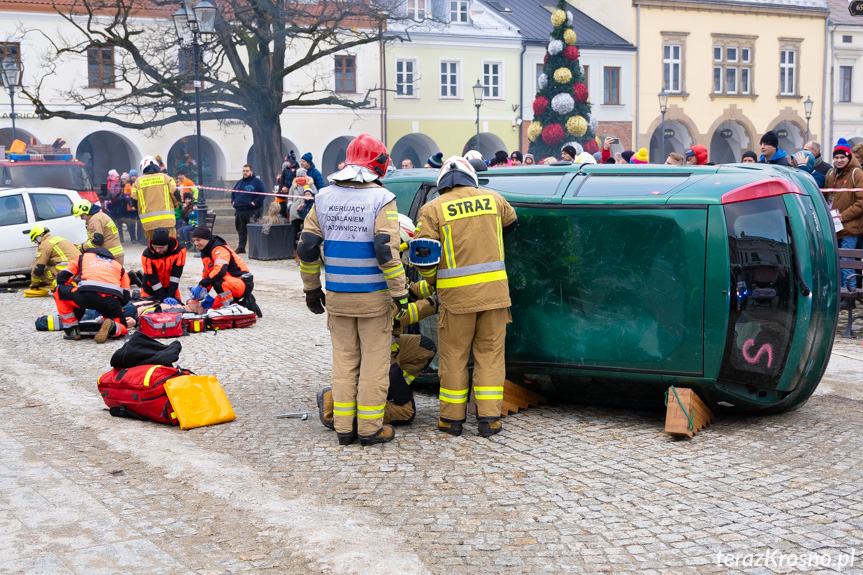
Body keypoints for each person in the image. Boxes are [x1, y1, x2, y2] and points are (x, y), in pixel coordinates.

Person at [297, 133, 407, 447]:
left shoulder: (323, 197)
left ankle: (345, 427)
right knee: (374, 363)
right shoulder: (381, 199)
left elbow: (306, 248)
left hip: (338, 297)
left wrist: (311, 289)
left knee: (344, 361)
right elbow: (387, 251)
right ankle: (370, 429)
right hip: (373, 297)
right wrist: (400, 294)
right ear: (380, 165)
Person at [411, 156, 518, 438]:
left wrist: (434, 283)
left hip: (456, 301)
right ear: (472, 178)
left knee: (455, 358)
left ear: (442, 184)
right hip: (495, 297)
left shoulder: (432, 209)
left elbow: (423, 258)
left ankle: (451, 421)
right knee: (490, 358)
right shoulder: (494, 199)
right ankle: (489, 420)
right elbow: (511, 224)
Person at [317, 216, 439, 430]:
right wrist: (432, 304)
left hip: (390, 351)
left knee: (424, 347)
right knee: (406, 413)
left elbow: (411, 289)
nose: (404, 259)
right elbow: (394, 317)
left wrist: (437, 285)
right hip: (376, 355)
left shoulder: (386, 268)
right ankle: (338, 408)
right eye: (402, 252)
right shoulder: (377, 274)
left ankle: (385, 392)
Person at [53, 242, 131, 343]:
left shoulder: (83, 257)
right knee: (123, 326)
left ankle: (72, 329)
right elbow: (125, 297)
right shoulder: (119, 266)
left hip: (86, 295)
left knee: (58, 291)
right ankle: (113, 327)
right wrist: (112, 309)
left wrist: (72, 288)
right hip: (111, 301)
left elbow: (62, 277)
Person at [190, 226, 262, 316]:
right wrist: (203, 291)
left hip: (243, 283)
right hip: (230, 283)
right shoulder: (205, 252)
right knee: (212, 309)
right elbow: (207, 273)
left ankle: (231, 310)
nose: (196, 243)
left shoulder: (219, 249)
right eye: (194, 240)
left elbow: (219, 272)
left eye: (198, 240)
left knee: (218, 282)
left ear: (207, 239)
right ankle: (246, 304)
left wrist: (201, 284)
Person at [824, 138, 863, 294]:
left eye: (842, 157)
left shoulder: (857, 173)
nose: (839, 160)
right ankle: (840, 294)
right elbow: (828, 198)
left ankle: (850, 293)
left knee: (847, 262)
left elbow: (861, 202)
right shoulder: (832, 174)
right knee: (837, 263)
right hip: (835, 226)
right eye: (836, 157)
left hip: (850, 227)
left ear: (849, 157)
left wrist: (843, 216)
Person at [131, 155, 180, 241]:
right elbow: (175, 194)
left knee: (155, 248)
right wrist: (175, 205)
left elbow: (134, 200)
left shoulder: (137, 182)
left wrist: (140, 209)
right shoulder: (167, 178)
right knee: (171, 246)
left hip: (149, 223)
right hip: (167, 221)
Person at [73, 199, 125, 265]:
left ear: (86, 210)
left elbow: (96, 241)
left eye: (81, 215)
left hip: (110, 256)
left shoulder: (95, 219)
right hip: (114, 254)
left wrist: (82, 248)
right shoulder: (99, 215)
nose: (81, 218)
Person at [141, 227, 186, 302]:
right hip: (150, 289)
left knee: (178, 311)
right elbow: (152, 279)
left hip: (171, 288)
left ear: (167, 244)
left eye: (161, 248)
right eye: (155, 247)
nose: (158, 250)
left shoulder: (180, 251)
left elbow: (176, 275)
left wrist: (170, 296)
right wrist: (163, 298)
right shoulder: (147, 255)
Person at [231, 164, 266, 254]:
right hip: (240, 211)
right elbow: (233, 193)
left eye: (247, 171)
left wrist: (255, 202)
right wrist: (233, 201)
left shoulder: (257, 182)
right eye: (244, 171)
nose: (245, 173)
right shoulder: (239, 182)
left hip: (252, 211)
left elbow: (263, 193)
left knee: (254, 231)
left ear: (251, 172)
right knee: (241, 230)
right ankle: (241, 247)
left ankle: (255, 248)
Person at [288, 168, 317, 261]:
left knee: (306, 234)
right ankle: (296, 254)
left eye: (301, 176)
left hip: (307, 212)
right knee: (295, 234)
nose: (299, 178)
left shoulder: (311, 185)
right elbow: (289, 198)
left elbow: (316, 196)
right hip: (295, 212)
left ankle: (305, 253)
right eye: (298, 176)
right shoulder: (293, 186)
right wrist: (291, 205)